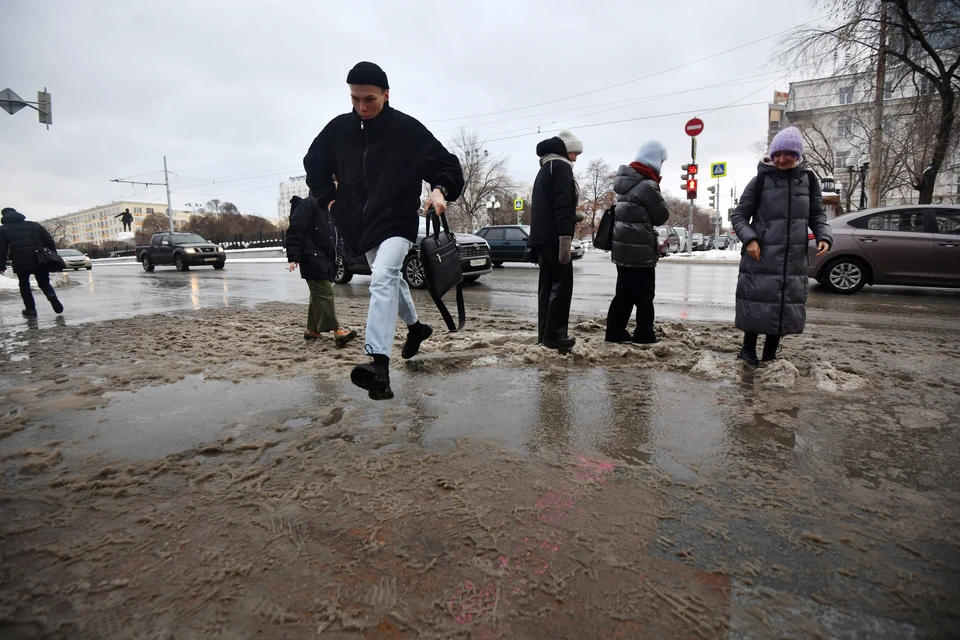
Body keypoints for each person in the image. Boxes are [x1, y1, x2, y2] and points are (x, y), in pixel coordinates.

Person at [303, 61, 464, 400]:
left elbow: (445, 163)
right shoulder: (337, 131)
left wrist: (439, 189)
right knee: (390, 277)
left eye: (370, 99)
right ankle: (417, 328)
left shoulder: (405, 130)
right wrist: (330, 202)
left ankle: (378, 362)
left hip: (396, 219)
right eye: (355, 99)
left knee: (383, 276)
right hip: (358, 224)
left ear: (386, 94)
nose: (362, 107)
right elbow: (313, 165)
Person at [730, 127, 832, 365]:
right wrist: (750, 239)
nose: (781, 159)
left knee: (782, 304)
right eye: (777, 154)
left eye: (788, 154)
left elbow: (817, 214)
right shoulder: (761, 180)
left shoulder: (808, 180)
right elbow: (739, 216)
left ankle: (770, 353)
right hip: (762, 253)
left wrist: (824, 236)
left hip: (793, 255)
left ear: (798, 155)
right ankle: (747, 350)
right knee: (757, 301)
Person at [604, 141, 670, 344]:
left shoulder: (625, 184)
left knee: (623, 293)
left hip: (623, 249)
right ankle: (644, 334)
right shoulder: (648, 185)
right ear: (654, 160)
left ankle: (614, 332)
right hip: (640, 251)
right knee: (644, 294)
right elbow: (661, 216)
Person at [528, 129, 582, 350]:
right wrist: (565, 237)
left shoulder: (544, 168)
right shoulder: (561, 167)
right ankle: (556, 336)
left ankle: (545, 334)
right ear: (565, 150)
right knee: (561, 287)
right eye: (574, 153)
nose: (576, 158)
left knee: (547, 287)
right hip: (555, 238)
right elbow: (561, 203)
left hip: (542, 237)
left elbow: (546, 206)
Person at [285, 195, 357, 348]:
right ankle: (337, 332)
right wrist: (293, 257)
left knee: (317, 294)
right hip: (311, 258)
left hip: (326, 260)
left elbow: (338, 238)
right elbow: (295, 229)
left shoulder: (330, 210)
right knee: (325, 292)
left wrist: (339, 256)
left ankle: (312, 329)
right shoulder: (309, 204)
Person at [0, 207, 64, 317]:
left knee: (24, 284)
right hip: (39, 258)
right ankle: (51, 295)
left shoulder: (3, 229)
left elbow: (2, 248)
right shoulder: (33, 225)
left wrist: (1, 265)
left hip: (20, 261)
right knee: (44, 283)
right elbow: (49, 240)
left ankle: (30, 309)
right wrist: (53, 254)